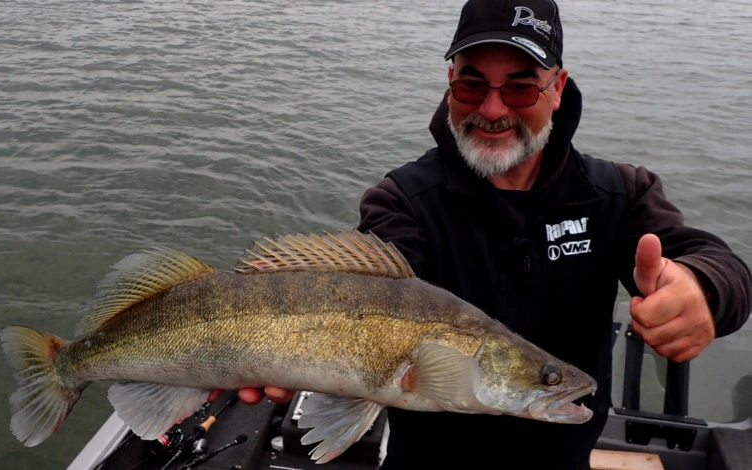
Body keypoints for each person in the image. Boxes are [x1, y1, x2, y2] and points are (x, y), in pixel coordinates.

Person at [240, 0, 752, 468]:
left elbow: (715, 262)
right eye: (472, 84)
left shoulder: (619, 193)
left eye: (521, 86)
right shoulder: (402, 201)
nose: (492, 109)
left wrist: (702, 288)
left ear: (558, 87)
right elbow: (363, 298)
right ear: (450, 82)